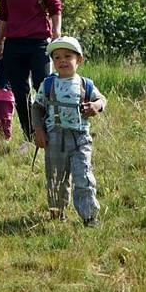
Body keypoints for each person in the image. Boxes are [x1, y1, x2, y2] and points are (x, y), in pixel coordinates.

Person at [31, 37, 106, 227]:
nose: (62, 60)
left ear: (79, 60)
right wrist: (38, 130)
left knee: (84, 176)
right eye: (57, 57)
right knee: (56, 177)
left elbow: (102, 100)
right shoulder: (48, 85)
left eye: (68, 56)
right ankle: (57, 214)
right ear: (52, 61)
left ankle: (90, 217)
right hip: (54, 137)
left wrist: (95, 106)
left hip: (80, 138)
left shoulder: (85, 84)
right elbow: (36, 107)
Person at [0, 0, 63, 144]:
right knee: (19, 91)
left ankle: (51, 129)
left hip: (39, 43)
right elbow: (3, 15)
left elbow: (55, 9)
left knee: (44, 87)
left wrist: (56, 35)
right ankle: (32, 136)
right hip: (14, 44)